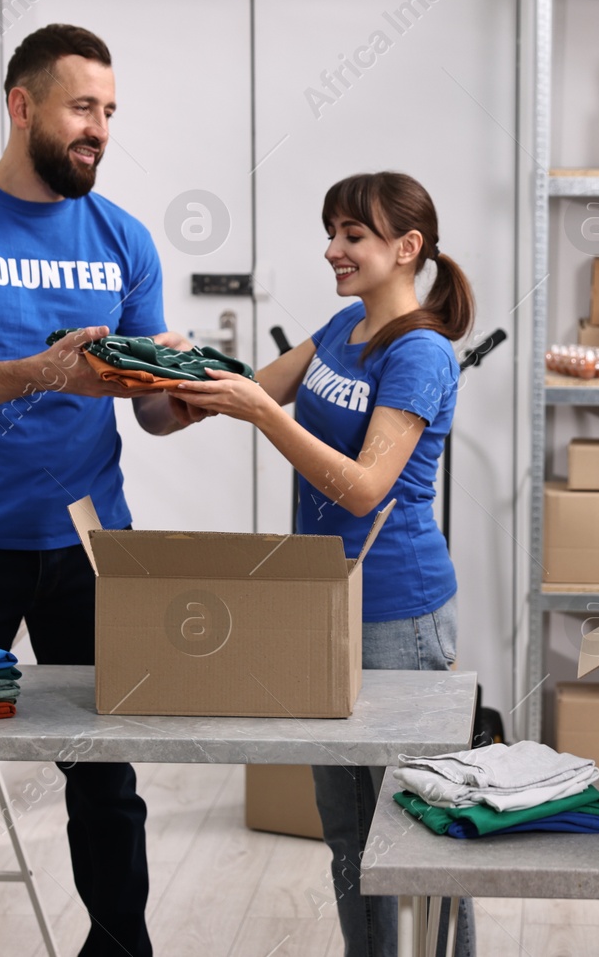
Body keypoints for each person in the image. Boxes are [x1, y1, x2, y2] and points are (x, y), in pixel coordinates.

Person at [0, 22, 205, 957]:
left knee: (105, 779)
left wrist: (184, 401)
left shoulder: (122, 236)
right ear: (22, 107)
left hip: (89, 546)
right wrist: (43, 371)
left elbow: (139, 408)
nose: (98, 127)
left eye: (108, 111)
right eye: (81, 108)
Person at [171, 171, 477, 957]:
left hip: (399, 615)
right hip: (321, 605)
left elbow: (367, 485)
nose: (333, 249)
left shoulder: (422, 354)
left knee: (421, 828)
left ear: (406, 248)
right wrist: (174, 361)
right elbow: (243, 388)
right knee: (345, 827)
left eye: (353, 235)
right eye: (332, 232)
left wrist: (265, 415)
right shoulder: (345, 326)